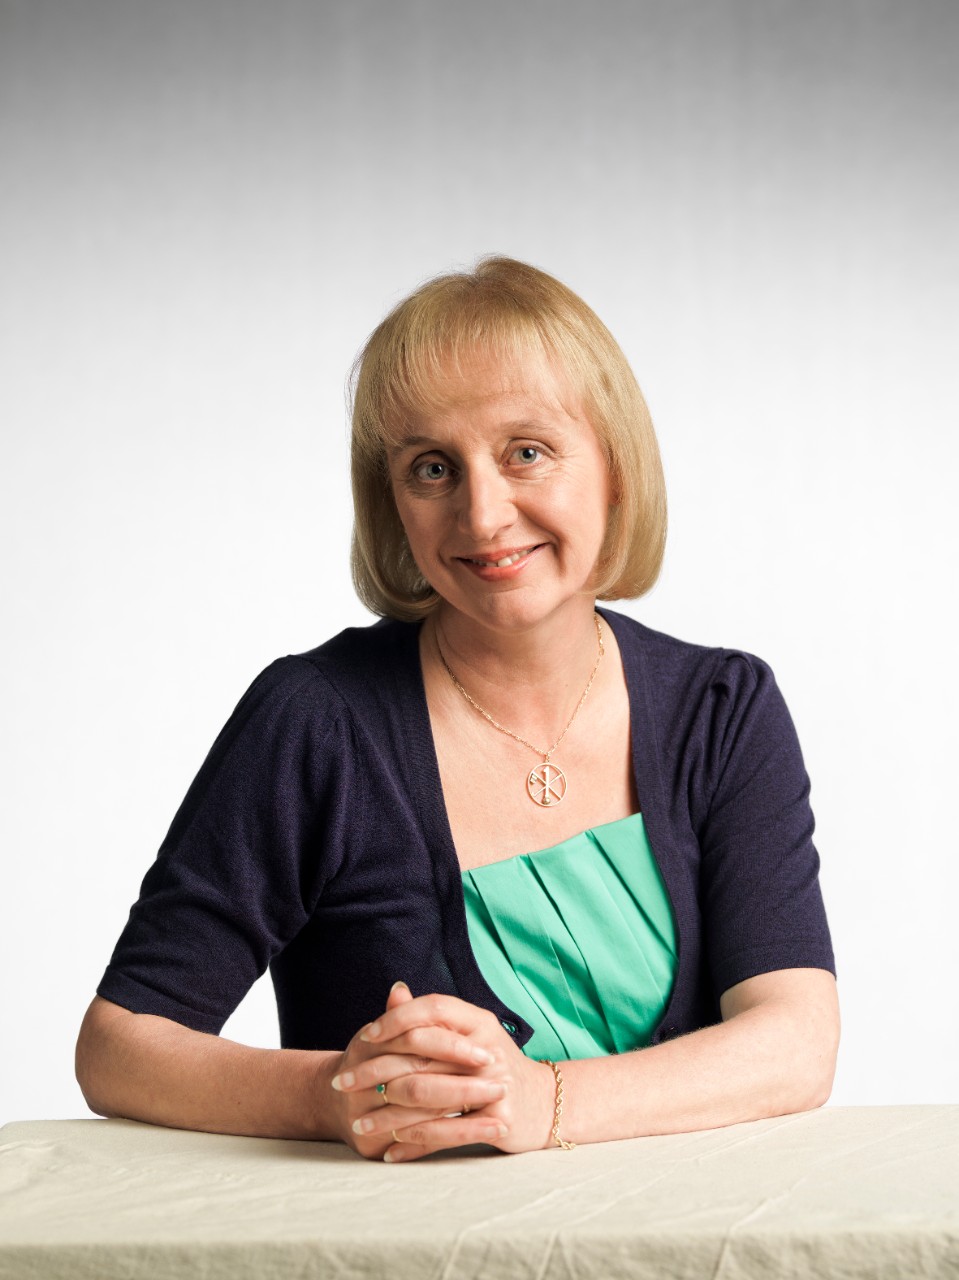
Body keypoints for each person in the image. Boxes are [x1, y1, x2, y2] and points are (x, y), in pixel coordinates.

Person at [76, 257, 839, 1162]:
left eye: (527, 451)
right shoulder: (315, 720)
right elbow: (119, 1049)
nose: (481, 516)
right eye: (431, 468)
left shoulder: (722, 709)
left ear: (614, 468)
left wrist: (541, 1101)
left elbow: (794, 1042)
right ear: (393, 505)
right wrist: (340, 1094)